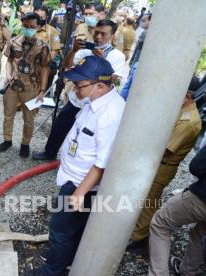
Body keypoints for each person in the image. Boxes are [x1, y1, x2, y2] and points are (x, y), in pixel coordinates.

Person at [34, 55, 125, 275]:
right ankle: (70, 260)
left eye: (79, 85)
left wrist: (79, 193)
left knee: (60, 229)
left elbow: (102, 163)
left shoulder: (110, 115)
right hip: (74, 179)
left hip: (81, 185)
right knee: (74, 228)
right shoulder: (94, 102)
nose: (75, 89)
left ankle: (51, 271)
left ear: (100, 86)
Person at [32, 19, 125, 161]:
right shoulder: (86, 51)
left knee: (83, 134)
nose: (98, 37)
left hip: (94, 103)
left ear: (112, 36)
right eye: (97, 32)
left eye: (103, 34)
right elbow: (67, 66)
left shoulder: (117, 56)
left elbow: (111, 80)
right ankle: (50, 152)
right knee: (60, 125)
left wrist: (103, 62)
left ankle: (75, 161)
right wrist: (74, 50)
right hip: (77, 99)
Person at [127, 79, 202, 250]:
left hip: (162, 166)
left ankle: (139, 238)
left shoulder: (189, 121)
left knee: (149, 202)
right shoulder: (183, 111)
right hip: (157, 163)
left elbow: (166, 149)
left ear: (186, 96)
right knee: (146, 198)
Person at [0, 12, 50, 158]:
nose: (28, 29)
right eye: (25, 26)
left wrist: (42, 90)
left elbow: (45, 68)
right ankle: (7, 140)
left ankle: (25, 144)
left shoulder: (43, 46)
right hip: (12, 86)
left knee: (29, 118)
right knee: (8, 115)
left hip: (31, 87)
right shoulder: (14, 41)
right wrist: (8, 75)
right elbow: (9, 61)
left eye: (32, 27)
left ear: (38, 26)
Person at [148, 142, 206, 276]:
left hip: (202, 199)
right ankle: (188, 271)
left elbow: (196, 167)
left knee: (161, 222)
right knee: (201, 232)